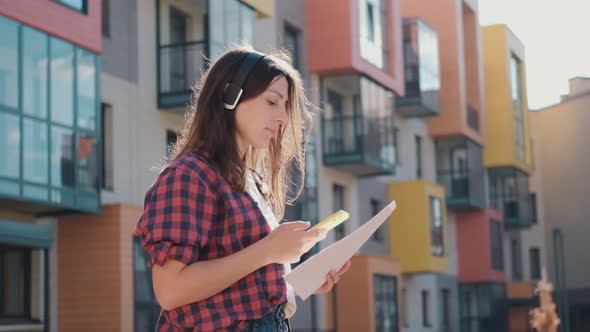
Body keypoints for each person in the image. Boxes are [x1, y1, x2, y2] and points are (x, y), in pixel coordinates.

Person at [135, 44, 351, 331]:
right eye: (272, 102)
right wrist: (268, 251)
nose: (283, 118)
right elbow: (171, 290)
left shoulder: (250, 181)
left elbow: (243, 282)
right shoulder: (189, 175)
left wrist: (301, 281)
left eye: (285, 106)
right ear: (230, 97)